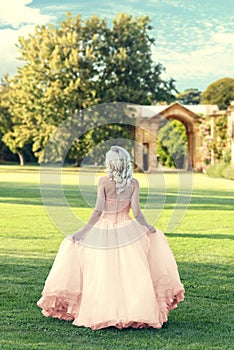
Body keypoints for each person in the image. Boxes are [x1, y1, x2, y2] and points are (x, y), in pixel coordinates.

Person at [37, 145, 184, 330]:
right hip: (127, 229)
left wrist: (82, 232)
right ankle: (133, 311)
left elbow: (98, 211)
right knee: (130, 275)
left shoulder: (104, 182)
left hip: (103, 230)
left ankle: (101, 311)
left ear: (110, 163)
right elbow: (137, 212)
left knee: (102, 273)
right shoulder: (134, 183)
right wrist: (147, 227)